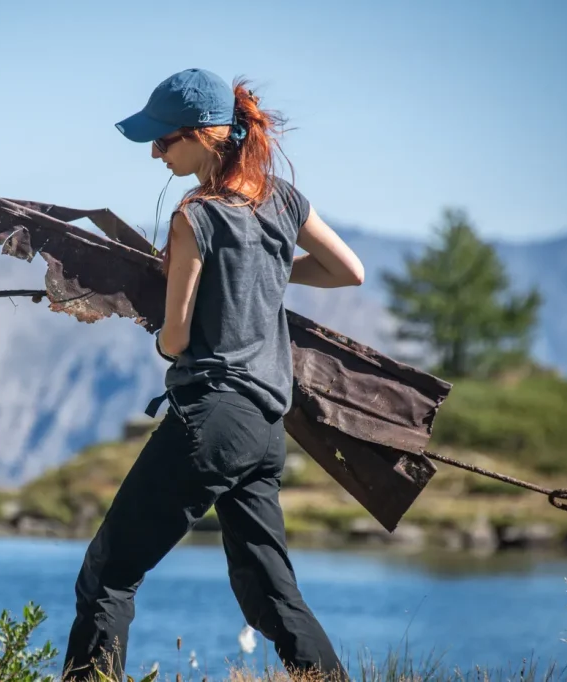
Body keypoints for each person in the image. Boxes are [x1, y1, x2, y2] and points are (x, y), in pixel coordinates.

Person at [61, 68, 364, 682]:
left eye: (163, 139)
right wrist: (270, 263)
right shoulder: (282, 198)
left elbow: (174, 339)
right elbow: (348, 270)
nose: (153, 151)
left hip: (210, 418)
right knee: (271, 595)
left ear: (203, 136)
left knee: (108, 574)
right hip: (265, 428)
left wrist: (176, 322)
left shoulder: (194, 215)